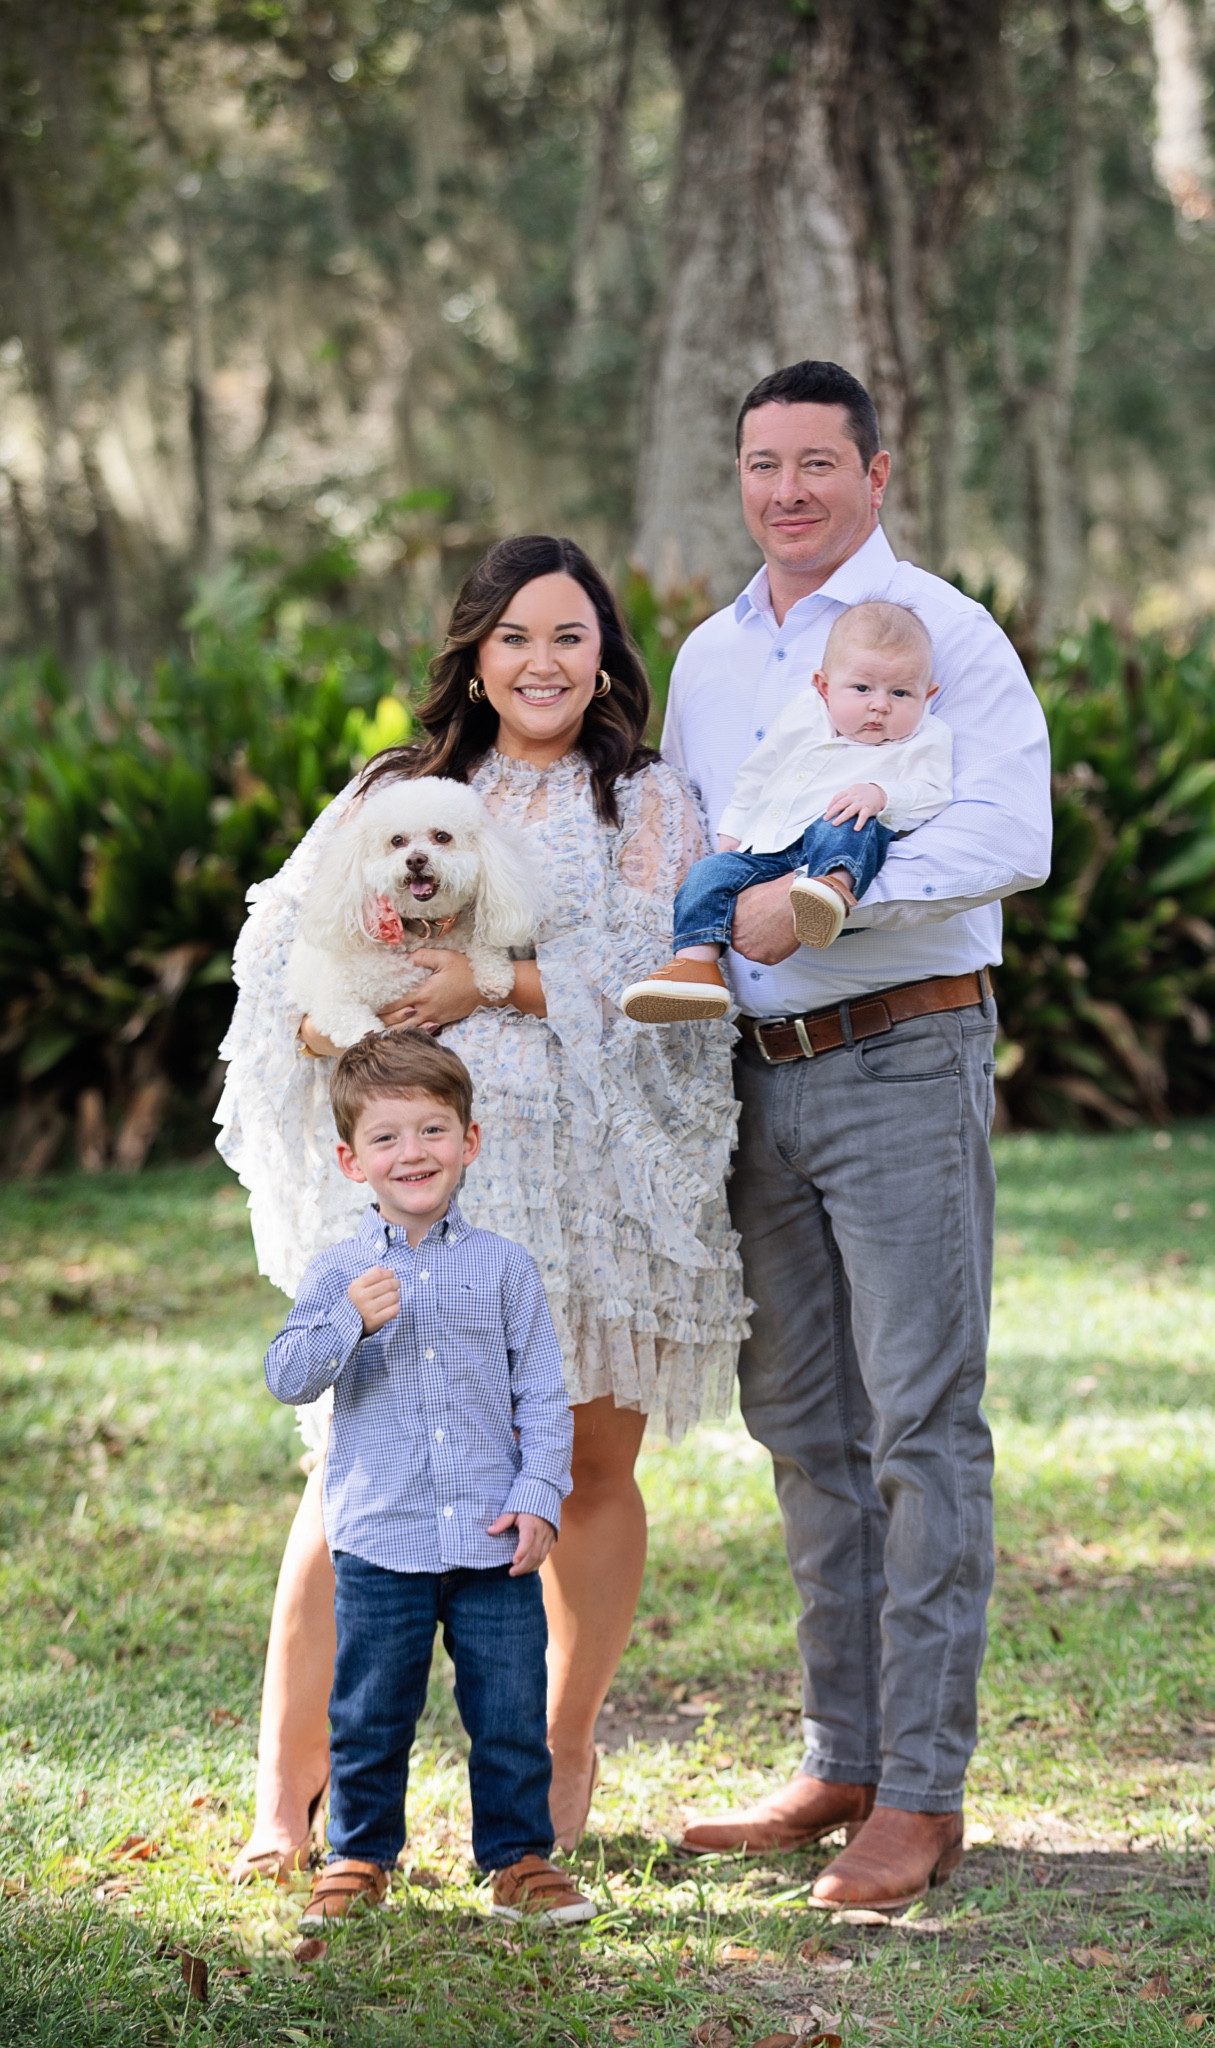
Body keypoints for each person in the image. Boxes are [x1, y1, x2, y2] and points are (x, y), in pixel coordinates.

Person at [217, 534, 748, 1880]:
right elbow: (287, 934)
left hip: (582, 1183)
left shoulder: (649, 802)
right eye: (515, 636)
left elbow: (659, 969)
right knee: (358, 1475)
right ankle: (288, 1801)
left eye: (568, 636)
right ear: (476, 653)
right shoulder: (406, 789)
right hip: (420, 1172)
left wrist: (491, 986)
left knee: (583, 1466)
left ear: (604, 655)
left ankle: (562, 1747)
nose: (541, 662)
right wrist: (324, 1023)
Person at [665, 361, 1051, 1912]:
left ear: (873, 476)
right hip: (758, 1073)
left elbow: (1004, 834)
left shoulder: (939, 635)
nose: (786, 492)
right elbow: (692, 841)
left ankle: (921, 1794)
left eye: (816, 463)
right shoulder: (706, 656)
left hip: (901, 1052)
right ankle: (840, 1752)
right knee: (803, 1424)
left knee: (916, 1426)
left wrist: (829, 897)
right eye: (762, 464)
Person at [265, 1031, 595, 1930]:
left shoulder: (503, 1267)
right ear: (351, 1160)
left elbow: (544, 1394)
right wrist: (346, 1324)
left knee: (509, 1706)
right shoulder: (340, 1273)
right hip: (382, 1536)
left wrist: (538, 1495)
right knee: (371, 1710)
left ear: (468, 1141)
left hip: (492, 1538)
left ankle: (519, 1859)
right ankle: (360, 1856)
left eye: (432, 1130)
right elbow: (287, 1373)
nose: (411, 1152)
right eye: (386, 1138)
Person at [620, 600, 951, 1022]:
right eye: (862, 689)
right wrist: (733, 837)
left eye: (901, 693)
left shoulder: (925, 738)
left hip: (834, 840)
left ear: (929, 695)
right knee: (708, 875)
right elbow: (756, 777)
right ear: (823, 685)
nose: (880, 705)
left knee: (851, 821)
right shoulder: (802, 716)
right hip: (770, 846)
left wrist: (881, 794)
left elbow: (934, 792)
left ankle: (830, 890)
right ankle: (696, 963)